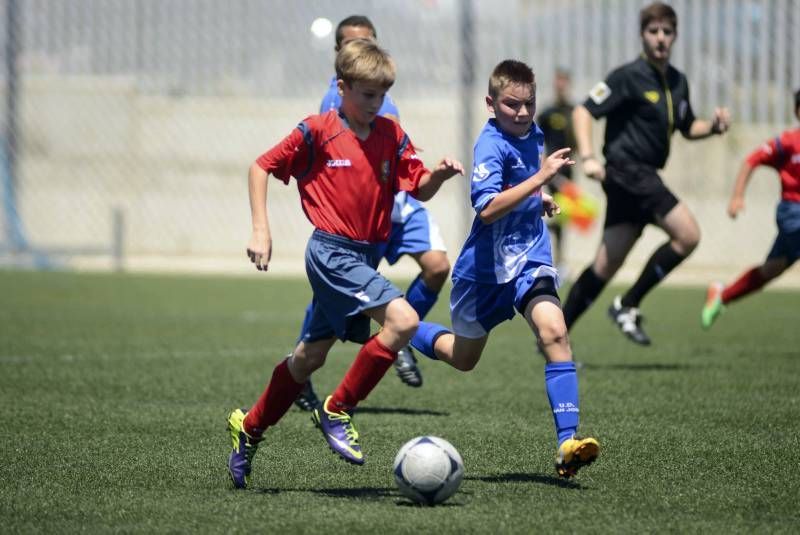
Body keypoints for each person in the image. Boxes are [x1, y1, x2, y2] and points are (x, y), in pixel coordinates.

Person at [226, 38, 464, 489]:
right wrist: (261, 229)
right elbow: (260, 167)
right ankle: (339, 408)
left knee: (308, 357)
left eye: (382, 95)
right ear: (342, 88)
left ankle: (249, 428)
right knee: (404, 321)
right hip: (331, 252)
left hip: (362, 258)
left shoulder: (391, 135)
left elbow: (420, 188)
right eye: (367, 95)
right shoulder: (316, 131)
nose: (376, 105)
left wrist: (440, 175)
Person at [408, 59, 600, 479]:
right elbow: (488, 208)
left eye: (528, 103)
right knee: (463, 359)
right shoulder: (490, 144)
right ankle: (405, 329)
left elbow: (529, 180)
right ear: (491, 104)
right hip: (483, 272)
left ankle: (568, 443)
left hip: (530, 259)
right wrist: (540, 182)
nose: (523, 113)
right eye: (512, 105)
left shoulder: (534, 134)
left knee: (555, 330)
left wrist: (541, 197)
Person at [292, 15, 450, 410]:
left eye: (368, 41)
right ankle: (303, 375)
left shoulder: (379, 87)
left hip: (400, 201)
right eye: (351, 43)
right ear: (339, 56)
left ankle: (401, 339)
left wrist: (422, 170)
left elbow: (394, 140)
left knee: (437, 266)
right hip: (363, 217)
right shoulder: (337, 100)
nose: (361, 49)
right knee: (331, 301)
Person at [561, 2, 731, 346]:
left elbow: (686, 126)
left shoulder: (678, 81)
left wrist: (712, 127)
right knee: (689, 235)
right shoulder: (627, 76)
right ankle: (628, 303)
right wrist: (589, 157)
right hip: (628, 172)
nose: (660, 39)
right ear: (642, 35)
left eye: (667, 32)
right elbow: (582, 111)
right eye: (653, 32)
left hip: (640, 178)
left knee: (604, 266)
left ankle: (555, 334)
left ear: (675, 36)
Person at [702, 89, 800, 328]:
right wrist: (737, 196)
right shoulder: (788, 142)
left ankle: (721, 295)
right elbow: (752, 160)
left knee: (770, 270)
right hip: (793, 212)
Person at [537, 67, 577, 268]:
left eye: (564, 81)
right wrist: (546, 169)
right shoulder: (546, 113)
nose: (560, 85)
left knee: (564, 215)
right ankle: (546, 255)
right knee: (550, 209)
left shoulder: (573, 111)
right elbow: (538, 142)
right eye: (558, 81)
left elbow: (577, 142)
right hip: (551, 172)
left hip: (568, 171)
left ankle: (560, 259)